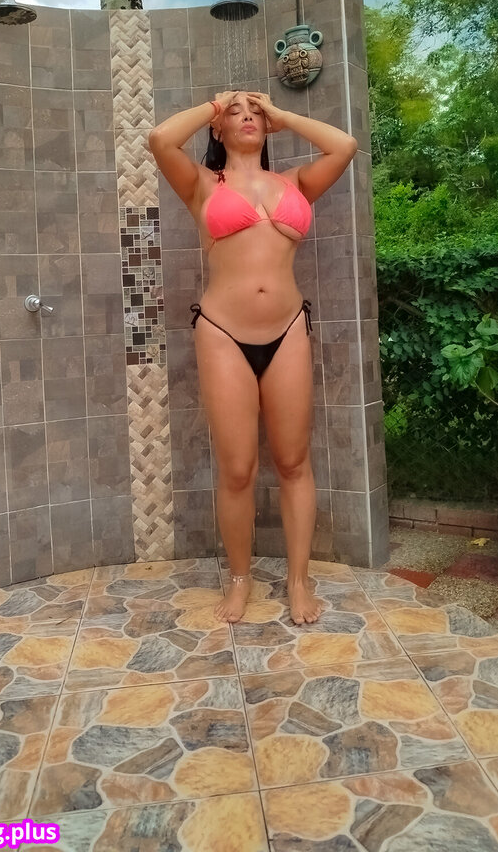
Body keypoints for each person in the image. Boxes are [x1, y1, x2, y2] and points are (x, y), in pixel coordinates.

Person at [148, 90, 357, 624]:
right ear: (219, 129)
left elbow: (344, 146)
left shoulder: (295, 183)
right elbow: (161, 139)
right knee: (238, 469)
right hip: (223, 332)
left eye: (256, 112)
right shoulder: (202, 183)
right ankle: (240, 580)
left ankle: (298, 580)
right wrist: (213, 107)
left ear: (268, 127)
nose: (248, 117)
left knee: (293, 461)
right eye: (237, 113)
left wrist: (284, 115)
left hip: (287, 329)